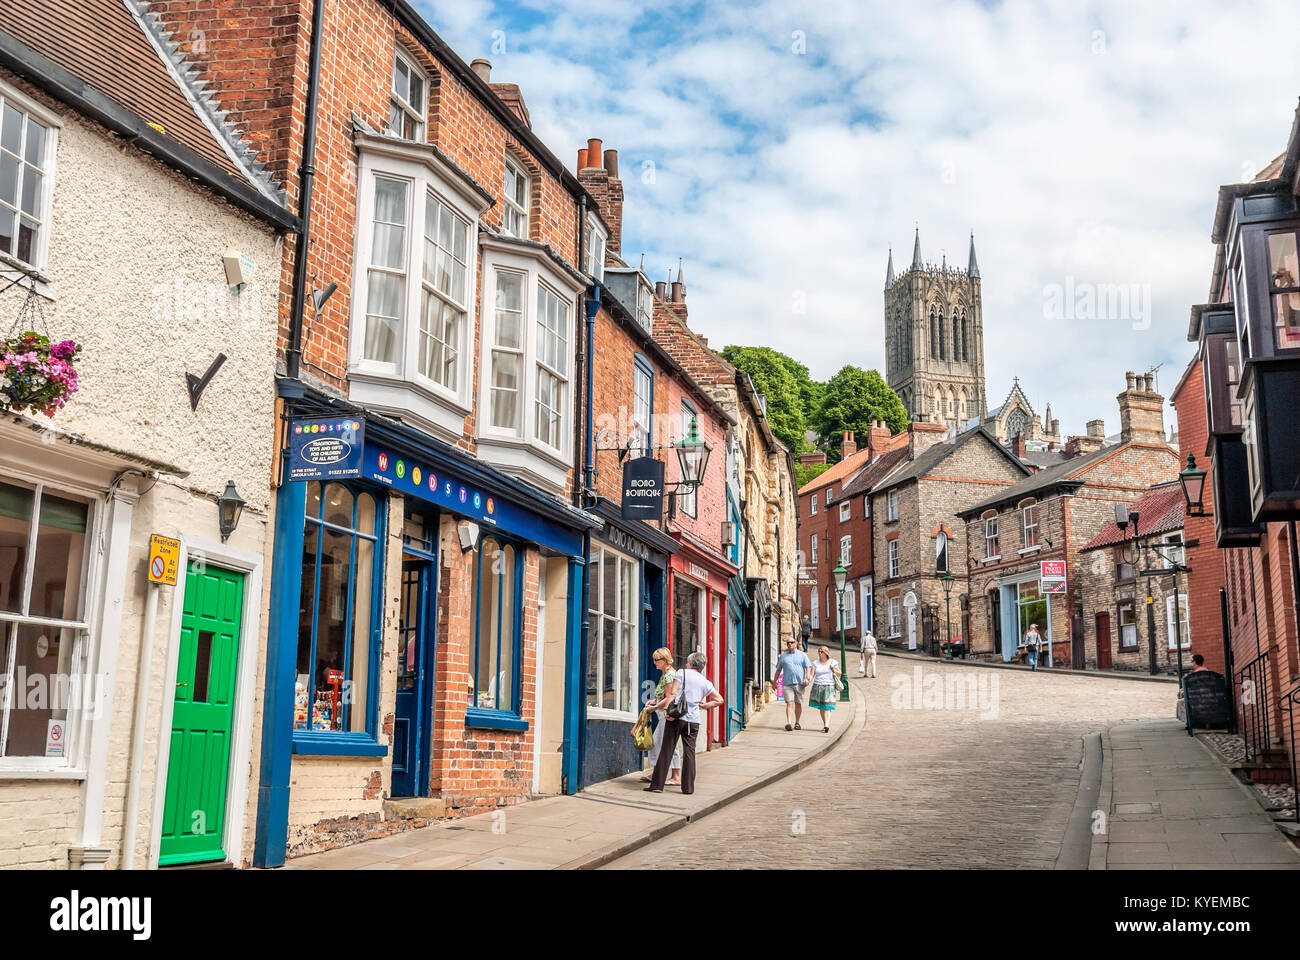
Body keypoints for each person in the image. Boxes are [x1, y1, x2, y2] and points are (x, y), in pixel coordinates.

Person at [645, 650, 723, 794]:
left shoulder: (681, 673)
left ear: (690, 663)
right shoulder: (705, 682)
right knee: (689, 753)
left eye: (687, 661)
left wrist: (667, 711)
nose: (686, 663)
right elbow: (719, 700)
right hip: (693, 721)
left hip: (677, 717)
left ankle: (657, 786)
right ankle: (688, 788)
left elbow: (673, 695)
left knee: (667, 749)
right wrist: (705, 706)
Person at [642, 647, 682, 786]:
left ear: (665, 660)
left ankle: (675, 776)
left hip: (668, 714)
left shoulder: (670, 675)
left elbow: (671, 697)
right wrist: (653, 701)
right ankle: (657, 773)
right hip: (663, 714)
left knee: (666, 743)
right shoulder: (665, 674)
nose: (654, 662)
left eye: (657, 660)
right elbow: (663, 696)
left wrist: (655, 707)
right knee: (659, 743)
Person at [773, 637, 813, 731]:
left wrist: (807, 678)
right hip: (787, 683)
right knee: (789, 703)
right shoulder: (783, 656)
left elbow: (808, 668)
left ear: (795, 643)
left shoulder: (802, 655)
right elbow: (778, 670)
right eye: (788, 643)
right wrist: (774, 682)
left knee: (798, 703)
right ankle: (789, 723)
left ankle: (797, 722)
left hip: (800, 683)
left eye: (792, 642)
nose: (790, 644)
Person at [808, 645, 842, 732]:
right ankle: (825, 724)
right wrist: (808, 680)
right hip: (818, 686)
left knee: (827, 706)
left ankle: (827, 725)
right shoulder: (815, 663)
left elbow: (839, 673)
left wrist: (833, 668)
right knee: (822, 707)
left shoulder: (833, 662)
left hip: (829, 686)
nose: (819, 653)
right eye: (818, 652)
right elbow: (812, 674)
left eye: (821, 652)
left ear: (826, 653)